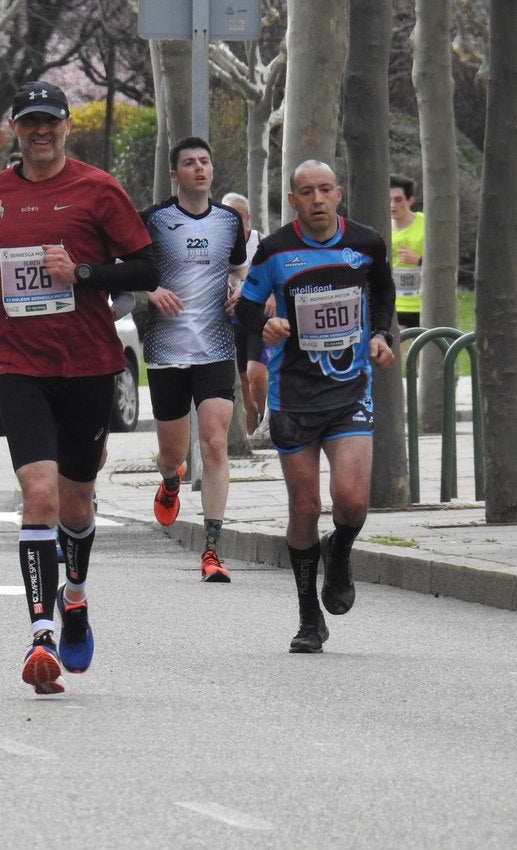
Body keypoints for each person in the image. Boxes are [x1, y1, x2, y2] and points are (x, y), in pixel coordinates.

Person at [0, 80, 160, 694]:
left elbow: (148, 267)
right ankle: (40, 633)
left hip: (91, 363)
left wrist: (84, 272)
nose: (40, 132)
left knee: (76, 499)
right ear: (13, 130)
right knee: (38, 494)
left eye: (50, 122)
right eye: (29, 123)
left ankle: (75, 596)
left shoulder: (99, 189)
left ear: (66, 125)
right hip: (20, 362)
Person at [235, 160, 396, 653]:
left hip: (349, 390)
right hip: (293, 395)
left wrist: (383, 334)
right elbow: (244, 308)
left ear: (339, 193)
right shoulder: (275, 250)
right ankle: (309, 618)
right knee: (304, 507)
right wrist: (266, 329)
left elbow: (384, 292)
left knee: (350, 500)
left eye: (326, 189)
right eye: (307, 192)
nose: (318, 199)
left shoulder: (365, 243)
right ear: (293, 200)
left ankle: (340, 552)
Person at [140, 138, 247, 583]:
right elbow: (129, 270)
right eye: (189, 163)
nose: (199, 169)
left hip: (216, 348)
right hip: (166, 350)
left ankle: (212, 550)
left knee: (216, 443)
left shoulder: (228, 222)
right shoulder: (154, 220)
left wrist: (242, 291)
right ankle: (169, 481)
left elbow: (241, 268)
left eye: (205, 161)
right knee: (173, 452)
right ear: (174, 174)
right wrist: (151, 291)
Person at [222, 191, 270, 438]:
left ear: (248, 217)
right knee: (242, 387)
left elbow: (274, 273)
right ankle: (250, 439)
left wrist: (271, 296)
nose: (234, 223)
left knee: (256, 373)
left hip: (256, 316)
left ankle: (266, 419)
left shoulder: (261, 242)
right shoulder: (217, 243)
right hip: (230, 320)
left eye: (238, 217)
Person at [389, 174, 424, 328]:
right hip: (396, 303)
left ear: (410, 200)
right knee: (396, 351)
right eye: (389, 199)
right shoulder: (382, 228)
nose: (392, 205)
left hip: (423, 303)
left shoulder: (426, 224)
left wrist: (418, 260)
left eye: (398, 200)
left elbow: (443, 263)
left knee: (425, 350)